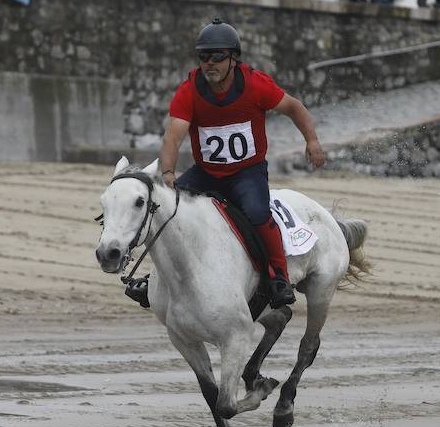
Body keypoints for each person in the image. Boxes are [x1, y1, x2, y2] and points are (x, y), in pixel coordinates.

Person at [136, 18, 326, 310]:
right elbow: (173, 137)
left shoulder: (255, 84)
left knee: (257, 213)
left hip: (246, 171)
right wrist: (169, 173)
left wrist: (312, 141)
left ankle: (278, 277)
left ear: (233, 59)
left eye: (217, 57)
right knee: (167, 210)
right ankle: (154, 279)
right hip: (207, 172)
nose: (209, 63)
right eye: (203, 57)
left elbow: (294, 107)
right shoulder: (189, 90)